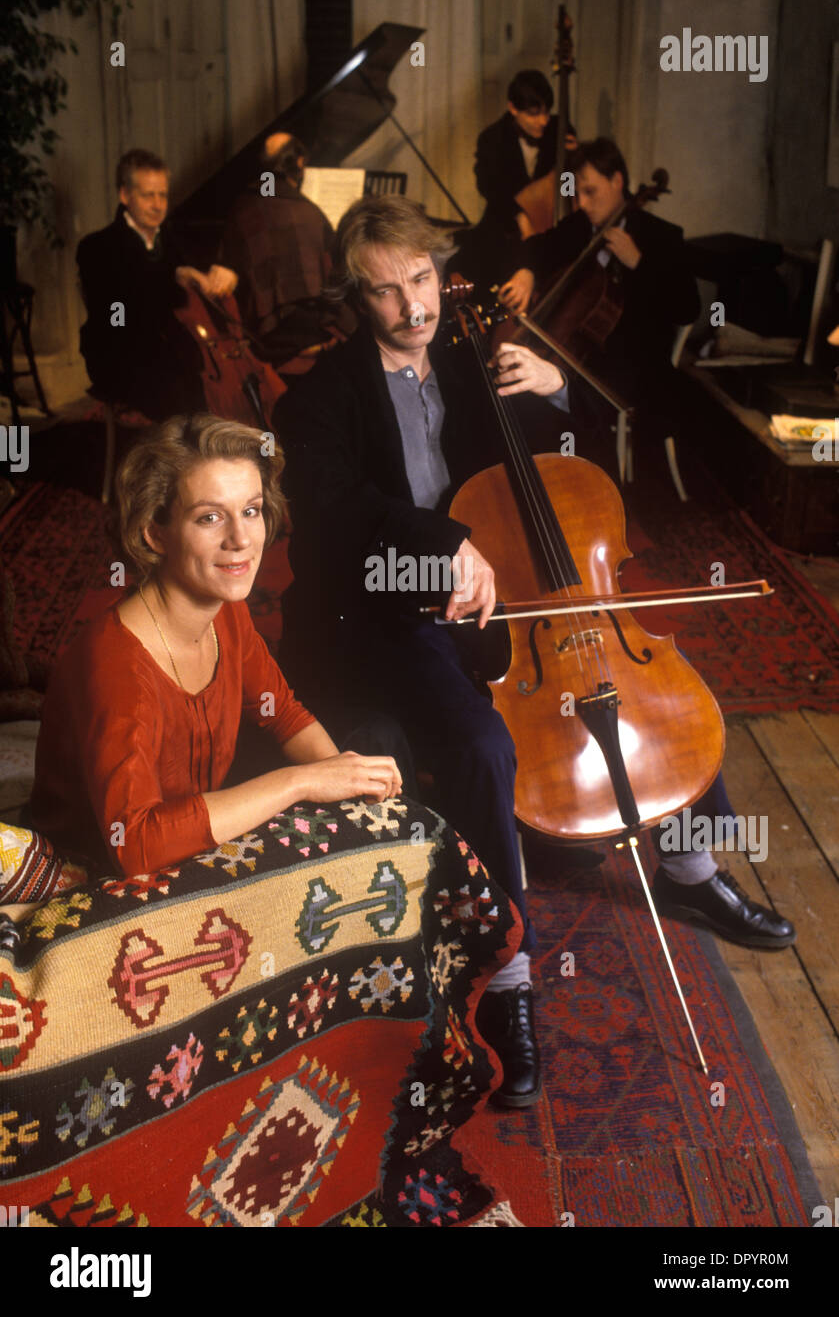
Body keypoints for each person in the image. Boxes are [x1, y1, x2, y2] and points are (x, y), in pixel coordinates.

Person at [274, 196, 797, 1106]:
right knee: (482, 746)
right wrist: (437, 547)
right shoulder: (317, 397)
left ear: (441, 274)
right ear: (356, 300)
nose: (414, 308)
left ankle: (693, 870)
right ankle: (508, 980)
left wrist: (556, 394)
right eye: (387, 292)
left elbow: (561, 473)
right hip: (395, 610)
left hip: (511, 595)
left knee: (654, 687)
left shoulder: (476, 359)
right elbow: (330, 512)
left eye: (424, 280)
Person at [30, 414, 403, 879]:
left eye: (250, 510)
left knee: (375, 742)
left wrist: (344, 783)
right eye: (210, 517)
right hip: (100, 870)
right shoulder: (115, 666)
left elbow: (281, 714)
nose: (241, 540)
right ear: (155, 533)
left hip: (194, 823)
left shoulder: (225, 607)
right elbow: (136, 845)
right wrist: (303, 782)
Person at [500, 136, 701, 449]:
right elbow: (534, 249)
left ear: (617, 181)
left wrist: (639, 263)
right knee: (526, 392)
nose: (581, 203)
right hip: (579, 356)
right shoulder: (580, 227)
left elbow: (688, 307)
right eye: (577, 193)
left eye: (590, 191)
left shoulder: (661, 236)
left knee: (552, 398)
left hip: (633, 364)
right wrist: (526, 272)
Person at [76, 149, 238, 419]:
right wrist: (176, 275)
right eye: (147, 195)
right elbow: (120, 312)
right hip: (122, 354)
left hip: (173, 350)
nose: (158, 205)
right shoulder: (97, 247)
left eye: (162, 194)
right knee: (185, 392)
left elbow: (207, 272)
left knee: (207, 385)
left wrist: (226, 271)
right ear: (125, 195)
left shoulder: (174, 239)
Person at [221, 132, 354, 370]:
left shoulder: (241, 209)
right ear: (300, 163)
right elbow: (338, 279)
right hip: (310, 331)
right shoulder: (312, 213)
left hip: (261, 333)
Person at [455, 71, 575, 292]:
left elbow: (569, 184)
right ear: (513, 109)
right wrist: (520, 216)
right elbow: (490, 188)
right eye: (533, 114)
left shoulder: (559, 129)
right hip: (505, 221)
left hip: (549, 223)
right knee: (469, 262)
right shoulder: (491, 138)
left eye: (547, 112)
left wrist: (574, 157)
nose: (543, 121)